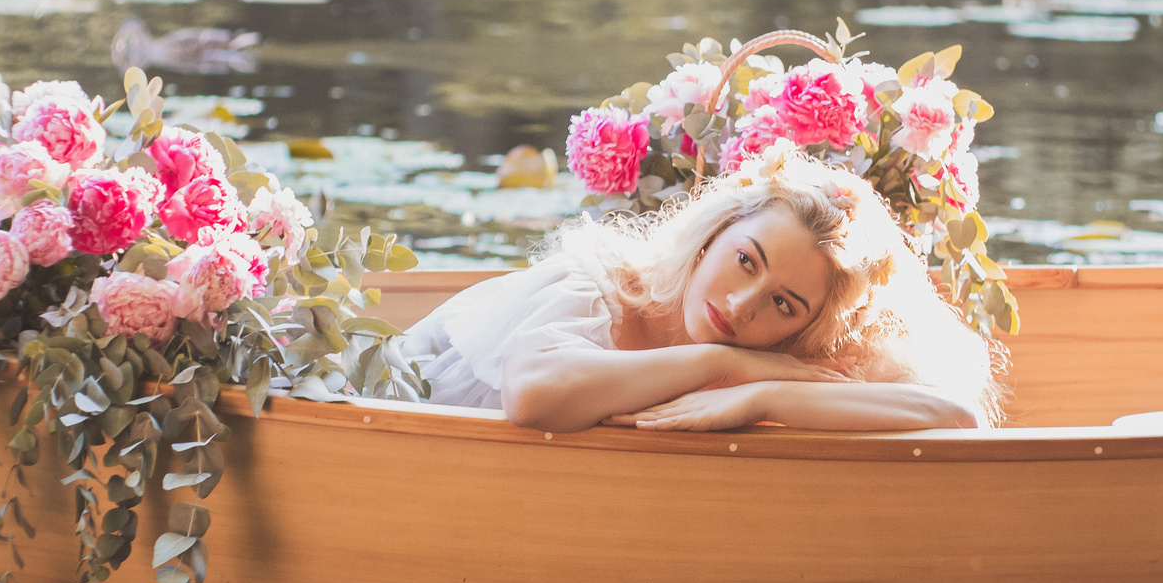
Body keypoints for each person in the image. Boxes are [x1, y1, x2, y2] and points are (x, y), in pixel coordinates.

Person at [404, 142, 998, 432]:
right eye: (746, 259)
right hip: (367, 415)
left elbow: (954, 414)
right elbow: (534, 395)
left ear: (807, 325)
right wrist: (723, 362)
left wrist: (765, 395)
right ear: (714, 233)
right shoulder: (599, 283)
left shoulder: (792, 355)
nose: (743, 305)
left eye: (783, 304)